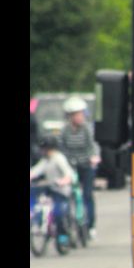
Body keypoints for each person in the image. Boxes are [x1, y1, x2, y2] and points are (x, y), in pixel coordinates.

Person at [60, 96, 100, 240]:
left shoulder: (86, 129)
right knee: (69, 194)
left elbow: (92, 145)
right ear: (70, 116)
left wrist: (94, 157)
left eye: (81, 114)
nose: (80, 117)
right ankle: (69, 223)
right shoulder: (65, 131)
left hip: (86, 165)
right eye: (76, 114)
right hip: (71, 166)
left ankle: (90, 226)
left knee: (87, 195)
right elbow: (62, 148)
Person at [30, 136, 77, 246]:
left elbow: (69, 173)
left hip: (61, 190)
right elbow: (36, 170)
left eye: (46, 148)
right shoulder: (45, 160)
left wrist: (64, 181)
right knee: (37, 202)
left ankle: (62, 235)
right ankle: (39, 222)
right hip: (50, 188)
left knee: (58, 213)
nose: (43, 151)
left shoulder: (59, 158)